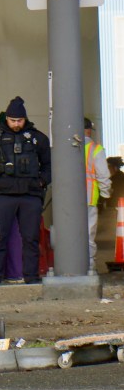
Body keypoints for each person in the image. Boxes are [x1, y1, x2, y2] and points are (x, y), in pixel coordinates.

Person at [0, 96, 51, 284]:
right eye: (13, 120)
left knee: (31, 238)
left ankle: (31, 277)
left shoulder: (37, 139)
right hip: (4, 195)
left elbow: (50, 164)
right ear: (6, 119)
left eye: (19, 120)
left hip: (30, 194)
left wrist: (41, 182)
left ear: (25, 119)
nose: (16, 124)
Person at [84, 117, 111, 274]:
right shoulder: (96, 149)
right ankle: (89, 267)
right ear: (88, 130)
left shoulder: (64, 147)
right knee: (88, 234)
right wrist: (106, 194)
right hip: (89, 197)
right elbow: (103, 174)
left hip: (66, 201)